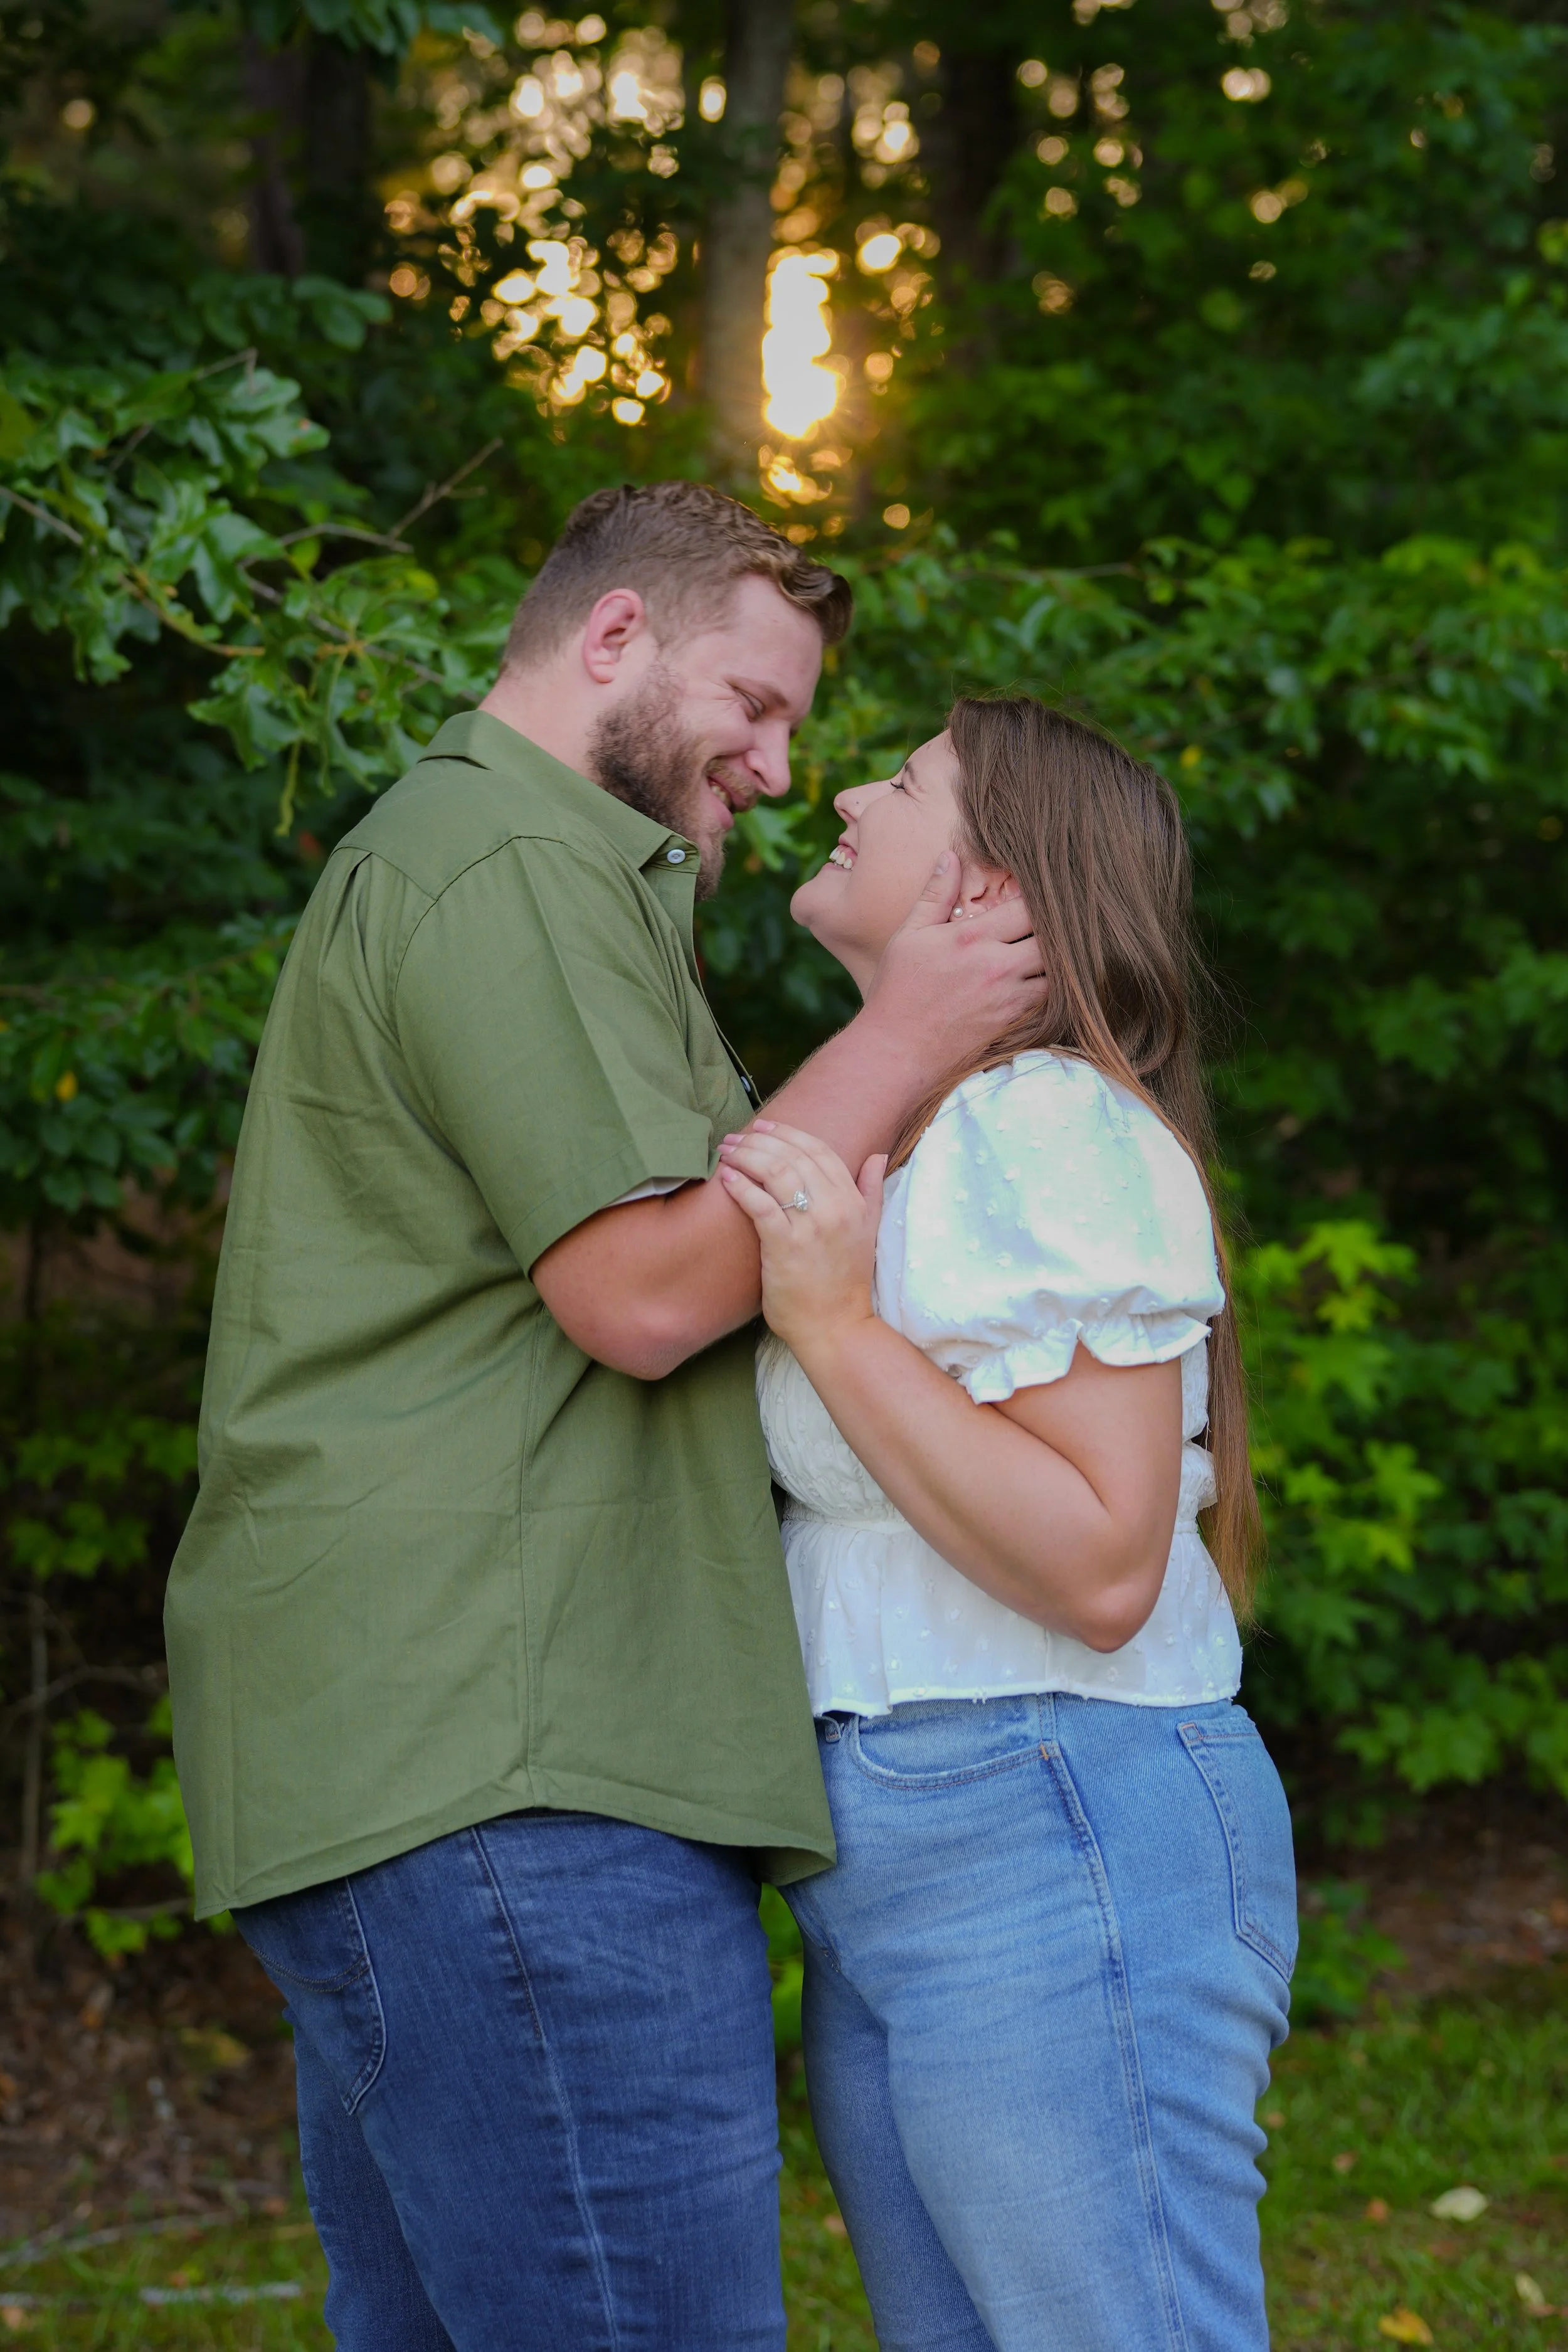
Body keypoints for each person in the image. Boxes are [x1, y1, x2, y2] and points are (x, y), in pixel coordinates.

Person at [164, 484, 1047, 2352]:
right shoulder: (506, 860)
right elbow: (644, 1294)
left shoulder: (541, 876)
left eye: (801, 725)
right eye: (757, 698)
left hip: (448, 1756)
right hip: (516, 1758)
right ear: (618, 638)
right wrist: (917, 1028)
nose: (778, 763)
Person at [718, 696, 1298, 2352]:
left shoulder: (1041, 1124)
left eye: (899, 783)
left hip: (1054, 1817)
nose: (837, 786)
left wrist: (833, 1324)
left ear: (997, 888)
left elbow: (1106, 1562)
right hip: (916, 1842)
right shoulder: (931, 1132)